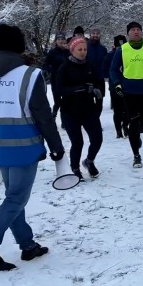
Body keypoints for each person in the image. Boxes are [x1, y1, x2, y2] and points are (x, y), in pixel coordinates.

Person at [0, 23, 65, 271]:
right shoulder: (30, 75)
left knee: (13, 198)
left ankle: (27, 245)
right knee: (15, 199)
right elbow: (43, 116)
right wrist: (56, 146)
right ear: (20, 46)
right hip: (25, 147)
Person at [109, 21, 143, 168]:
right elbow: (113, 70)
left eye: (138, 29)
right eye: (132, 30)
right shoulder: (123, 49)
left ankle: (136, 134)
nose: (136, 32)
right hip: (129, 91)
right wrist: (117, 83)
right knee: (133, 122)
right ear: (128, 34)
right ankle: (136, 155)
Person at [55, 36, 105, 180]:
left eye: (85, 49)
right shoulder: (64, 67)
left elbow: (99, 83)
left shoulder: (90, 66)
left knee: (97, 139)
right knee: (78, 142)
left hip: (89, 109)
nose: (83, 52)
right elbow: (60, 90)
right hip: (70, 111)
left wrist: (98, 90)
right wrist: (82, 89)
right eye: (79, 49)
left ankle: (89, 161)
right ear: (72, 51)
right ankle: (75, 168)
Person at [104, 35, 128, 139]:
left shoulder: (129, 54)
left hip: (127, 86)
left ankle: (124, 127)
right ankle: (119, 130)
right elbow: (105, 71)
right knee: (119, 109)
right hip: (115, 86)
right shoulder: (110, 56)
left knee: (126, 109)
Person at [43, 33, 69, 120]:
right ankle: (53, 116)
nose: (61, 41)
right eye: (59, 39)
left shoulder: (68, 52)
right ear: (56, 41)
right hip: (55, 79)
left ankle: (64, 121)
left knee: (66, 101)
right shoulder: (52, 52)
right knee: (57, 101)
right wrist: (52, 70)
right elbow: (45, 65)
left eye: (62, 39)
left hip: (67, 79)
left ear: (65, 41)